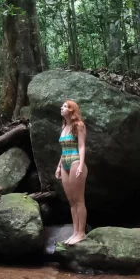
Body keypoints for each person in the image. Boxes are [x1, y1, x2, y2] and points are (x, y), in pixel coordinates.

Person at [54, 99, 88, 244]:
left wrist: (81, 164)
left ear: (72, 110)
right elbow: (63, 149)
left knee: (79, 199)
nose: (62, 108)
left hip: (75, 161)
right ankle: (75, 232)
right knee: (72, 201)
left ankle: (81, 233)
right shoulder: (64, 126)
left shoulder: (78, 125)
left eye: (65, 106)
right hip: (65, 163)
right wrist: (58, 166)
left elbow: (81, 146)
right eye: (62, 106)